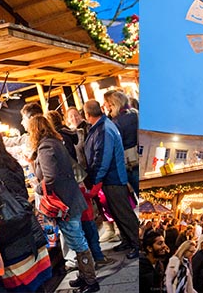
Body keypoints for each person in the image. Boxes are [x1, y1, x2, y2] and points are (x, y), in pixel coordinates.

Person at [0, 122, 52, 291]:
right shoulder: (10, 161)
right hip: (29, 230)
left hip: (11, 239)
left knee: (21, 286)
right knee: (38, 285)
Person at [28, 116, 99, 293]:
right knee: (77, 238)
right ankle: (84, 276)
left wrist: (37, 188)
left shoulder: (45, 147)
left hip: (63, 202)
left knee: (77, 240)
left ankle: (91, 281)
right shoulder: (54, 142)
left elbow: (50, 177)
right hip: (70, 198)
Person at [83, 99, 140, 259]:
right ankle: (128, 240)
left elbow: (102, 157)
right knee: (116, 212)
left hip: (113, 178)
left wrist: (95, 179)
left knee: (123, 213)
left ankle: (137, 243)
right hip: (110, 178)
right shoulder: (103, 125)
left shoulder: (104, 129)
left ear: (87, 114)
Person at [104, 91, 140, 194]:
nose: (105, 105)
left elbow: (116, 146)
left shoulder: (116, 122)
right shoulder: (135, 113)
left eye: (106, 103)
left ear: (112, 104)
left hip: (131, 162)